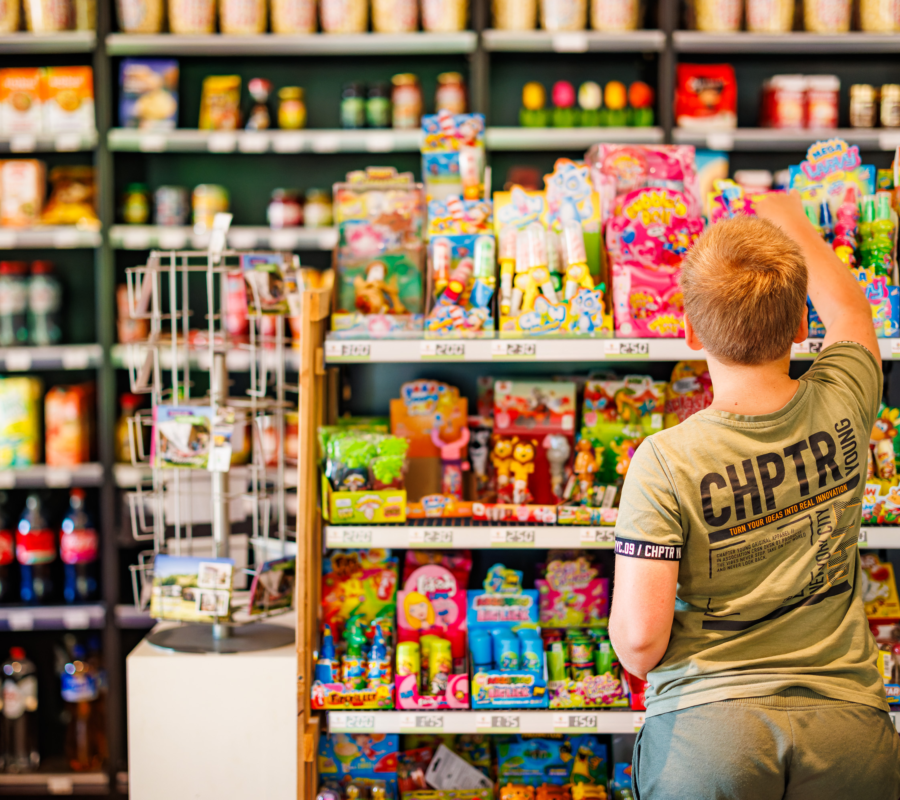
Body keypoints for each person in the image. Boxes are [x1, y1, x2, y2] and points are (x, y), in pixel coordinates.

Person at [609, 190, 900, 799]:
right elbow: (851, 310)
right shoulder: (843, 399)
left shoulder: (664, 463)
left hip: (709, 735)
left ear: (689, 331)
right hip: (848, 725)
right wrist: (788, 217)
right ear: (800, 325)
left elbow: (639, 641)